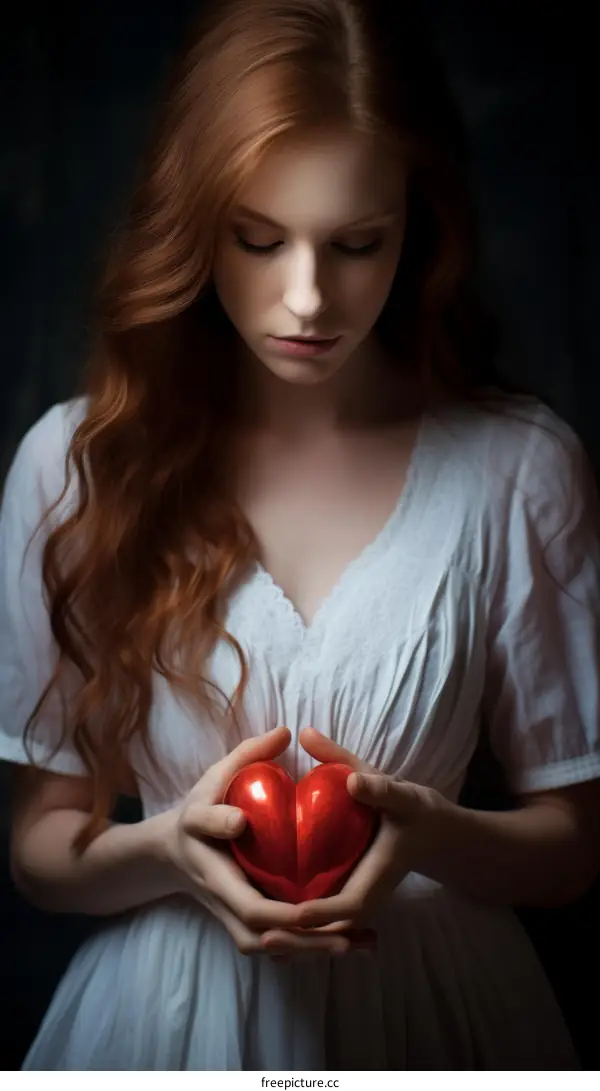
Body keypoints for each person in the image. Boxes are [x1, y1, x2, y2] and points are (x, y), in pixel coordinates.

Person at [1, 0, 599, 1071]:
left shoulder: (518, 468)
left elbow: (574, 843)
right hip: (161, 1030)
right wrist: (166, 850)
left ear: (419, 225)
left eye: (358, 243)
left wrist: (432, 833)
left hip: (445, 1022)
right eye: (259, 239)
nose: (309, 297)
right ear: (192, 223)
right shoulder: (75, 467)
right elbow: (44, 847)